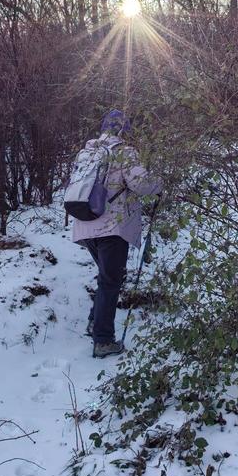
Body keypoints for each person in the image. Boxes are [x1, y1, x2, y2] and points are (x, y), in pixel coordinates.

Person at [72, 109, 162, 358]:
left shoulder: (87, 152)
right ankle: (103, 340)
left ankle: (95, 323)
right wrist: (160, 184)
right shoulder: (124, 152)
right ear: (125, 130)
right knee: (110, 281)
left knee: (106, 278)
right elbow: (141, 184)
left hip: (85, 224)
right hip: (112, 226)